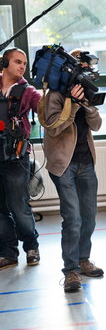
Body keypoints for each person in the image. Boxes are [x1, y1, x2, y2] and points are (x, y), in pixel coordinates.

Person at [42, 49, 104, 293]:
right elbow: (54, 128)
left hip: (86, 162)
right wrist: (73, 104)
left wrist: (86, 105)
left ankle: (83, 259)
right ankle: (70, 272)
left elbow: (97, 125)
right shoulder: (54, 95)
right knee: (73, 219)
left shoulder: (84, 93)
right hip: (63, 165)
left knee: (89, 217)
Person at [0, 47, 42, 271]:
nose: (22, 66)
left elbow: (42, 105)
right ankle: (7, 252)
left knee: (19, 207)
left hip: (16, 158)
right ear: (4, 63)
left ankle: (31, 247)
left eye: (24, 63)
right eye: (17, 61)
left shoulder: (28, 91)